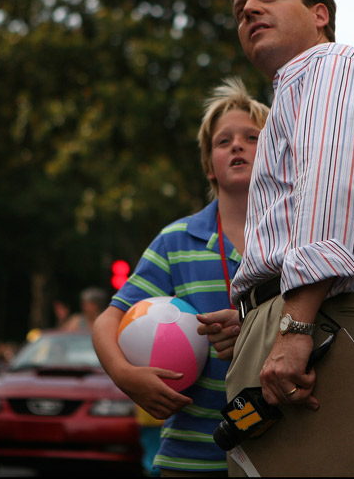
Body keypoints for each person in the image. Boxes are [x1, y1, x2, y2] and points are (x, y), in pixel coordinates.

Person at [197, 0, 354, 477]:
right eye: (240, 8)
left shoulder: (324, 68)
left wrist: (292, 326)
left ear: (319, 13)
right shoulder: (306, 87)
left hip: (322, 323)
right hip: (331, 314)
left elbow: (333, 199)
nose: (249, 10)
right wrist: (259, 313)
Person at [93, 77, 270, 476]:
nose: (237, 145)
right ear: (209, 166)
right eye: (223, 142)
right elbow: (109, 320)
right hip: (190, 454)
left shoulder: (297, 237)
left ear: (277, 153)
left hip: (284, 450)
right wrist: (126, 377)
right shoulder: (176, 241)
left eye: (253, 137)